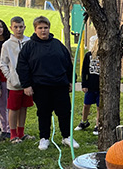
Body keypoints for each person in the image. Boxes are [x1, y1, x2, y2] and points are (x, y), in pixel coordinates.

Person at [17, 15, 78, 151]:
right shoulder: (29, 47)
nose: (43, 31)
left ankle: (67, 136)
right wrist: (26, 85)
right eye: (40, 28)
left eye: (46, 28)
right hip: (40, 86)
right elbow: (22, 66)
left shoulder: (57, 45)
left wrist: (71, 80)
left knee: (64, 112)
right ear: (35, 29)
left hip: (60, 85)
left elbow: (67, 63)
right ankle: (44, 138)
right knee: (43, 112)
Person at [0, 16, 32, 143]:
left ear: (24, 27)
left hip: (27, 83)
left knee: (24, 107)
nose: (18, 30)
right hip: (14, 83)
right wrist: (10, 77)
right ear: (11, 28)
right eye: (16, 27)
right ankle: (13, 134)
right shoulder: (7, 45)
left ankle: (21, 132)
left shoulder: (29, 42)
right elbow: (3, 63)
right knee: (13, 108)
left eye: (21, 27)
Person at [76, 35, 100, 135]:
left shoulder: (104, 56)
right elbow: (84, 70)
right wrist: (84, 84)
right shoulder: (88, 55)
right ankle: (84, 121)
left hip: (100, 86)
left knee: (100, 107)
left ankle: (98, 125)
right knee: (86, 105)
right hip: (90, 85)